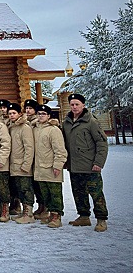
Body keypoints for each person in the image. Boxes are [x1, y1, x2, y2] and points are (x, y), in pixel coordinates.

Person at [62, 94, 109, 232]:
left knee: (96, 193)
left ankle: (101, 219)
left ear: (83, 105)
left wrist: (99, 162)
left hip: (90, 166)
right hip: (74, 165)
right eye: (72, 104)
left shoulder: (91, 122)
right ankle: (83, 216)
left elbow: (101, 143)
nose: (74, 107)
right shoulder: (66, 122)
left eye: (77, 104)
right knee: (78, 193)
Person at [34, 104, 67, 228]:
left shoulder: (54, 130)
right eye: (39, 114)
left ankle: (56, 216)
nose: (41, 116)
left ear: (48, 116)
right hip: (40, 167)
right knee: (45, 193)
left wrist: (58, 165)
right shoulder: (36, 129)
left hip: (51, 167)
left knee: (55, 194)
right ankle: (49, 214)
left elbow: (60, 150)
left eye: (43, 114)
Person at [6, 103, 35, 224]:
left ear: (19, 114)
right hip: (14, 164)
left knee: (26, 189)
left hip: (22, 165)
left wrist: (26, 164)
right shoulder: (11, 127)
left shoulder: (25, 127)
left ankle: (29, 213)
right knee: (19, 189)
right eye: (10, 113)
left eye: (14, 113)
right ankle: (23, 211)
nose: (11, 115)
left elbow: (29, 148)